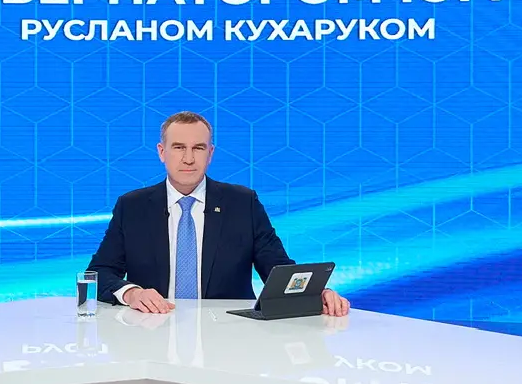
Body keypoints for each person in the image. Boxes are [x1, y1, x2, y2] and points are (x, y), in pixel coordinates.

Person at [86, 111, 349, 317]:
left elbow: (277, 268)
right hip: (152, 329)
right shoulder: (132, 206)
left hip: (228, 334)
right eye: (178, 147)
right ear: (161, 152)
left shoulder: (243, 203)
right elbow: (99, 273)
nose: (188, 158)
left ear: (210, 153)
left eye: (198, 148)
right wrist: (131, 293)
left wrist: (317, 292)